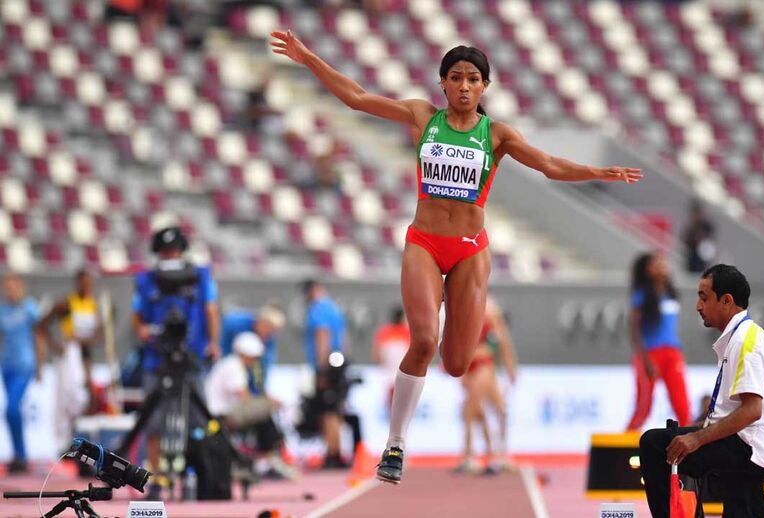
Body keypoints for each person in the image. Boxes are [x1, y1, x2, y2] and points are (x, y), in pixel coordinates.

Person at [270, 31, 641, 484]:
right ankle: (396, 443)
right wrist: (309, 58)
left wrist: (598, 172)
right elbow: (357, 98)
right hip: (425, 243)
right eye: (456, 77)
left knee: (456, 363)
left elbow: (548, 165)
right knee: (423, 341)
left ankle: (449, 317)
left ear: (485, 86)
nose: (464, 86)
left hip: (469, 252)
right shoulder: (422, 116)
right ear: (443, 83)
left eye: (473, 79)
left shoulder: (497, 135)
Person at [640, 264, 764, 518]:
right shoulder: (739, 337)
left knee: (653, 445)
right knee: (664, 440)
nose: (698, 306)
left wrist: (697, 438)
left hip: (750, 444)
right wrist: (698, 429)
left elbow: (752, 411)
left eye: (704, 298)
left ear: (726, 301)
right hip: (745, 440)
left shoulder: (745, 341)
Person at [132, 226, 220, 486]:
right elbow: (137, 314)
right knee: (153, 418)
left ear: (182, 251)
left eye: (174, 251)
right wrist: (143, 330)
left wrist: (213, 342)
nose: (170, 255)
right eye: (165, 251)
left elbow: (211, 309)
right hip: (157, 358)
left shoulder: (200, 276)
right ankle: (154, 473)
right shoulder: (147, 279)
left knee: (199, 417)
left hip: (191, 356)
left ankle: (200, 470)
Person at [205, 332, 291, 479]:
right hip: (220, 416)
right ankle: (267, 459)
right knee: (264, 410)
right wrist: (269, 403)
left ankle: (268, 457)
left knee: (263, 413)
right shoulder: (233, 366)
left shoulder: (231, 364)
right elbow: (244, 396)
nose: (255, 362)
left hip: (225, 412)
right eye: (254, 358)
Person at [36, 269, 102, 453]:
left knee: (88, 398)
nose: (87, 287)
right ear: (77, 283)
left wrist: (85, 340)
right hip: (69, 356)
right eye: (84, 283)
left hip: (85, 356)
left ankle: (80, 443)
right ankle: (64, 443)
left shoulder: (92, 305)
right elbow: (41, 325)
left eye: (89, 284)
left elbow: (99, 336)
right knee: (67, 399)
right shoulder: (66, 303)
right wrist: (55, 345)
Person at [627, 253, 692, 430]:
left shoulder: (671, 293)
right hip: (650, 354)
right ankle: (624, 443)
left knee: (682, 406)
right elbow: (634, 330)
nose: (661, 266)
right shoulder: (642, 294)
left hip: (673, 353)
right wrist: (645, 360)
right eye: (655, 264)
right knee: (643, 407)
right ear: (647, 270)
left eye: (662, 262)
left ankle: (690, 443)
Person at [456, 296, 517, 474]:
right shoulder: (462, 307)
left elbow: (501, 340)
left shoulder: (489, 308)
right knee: (473, 409)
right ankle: (475, 454)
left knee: (495, 408)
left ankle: (495, 454)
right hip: (470, 364)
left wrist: (509, 366)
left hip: (482, 363)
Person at [302, 279, 349, 469]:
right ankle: (336, 451)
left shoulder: (318, 309)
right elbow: (344, 338)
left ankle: (332, 452)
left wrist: (322, 369)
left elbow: (323, 335)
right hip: (338, 362)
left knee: (326, 410)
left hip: (327, 364)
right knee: (335, 409)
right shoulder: (334, 308)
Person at [0, 272, 44, 473]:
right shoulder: (3, 311)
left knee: (12, 408)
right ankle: (18, 455)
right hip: (6, 365)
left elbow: (38, 336)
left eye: (12, 287)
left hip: (24, 364)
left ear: (20, 287)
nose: (10, 291)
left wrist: (40, 364)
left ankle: (22, 455)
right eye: (6, 288)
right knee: (10, 413)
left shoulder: (30, 308)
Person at [220, 303, 286, 391]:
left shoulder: (268, 341)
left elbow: (262, 367)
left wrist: (258, 390)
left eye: (273, 332)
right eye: (268, 329)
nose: (269, 334)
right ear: (260, 322)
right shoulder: (235, 325)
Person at [372, 305, 411, 413]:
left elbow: (376, 354)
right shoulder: (408, 333)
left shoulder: (384, 332)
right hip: (400, 369)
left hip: (390, 369)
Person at [681, 200, 717, 273]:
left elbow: (709, 242)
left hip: (702, 262)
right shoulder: (691, 228)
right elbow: (685, 241)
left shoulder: (707, 226)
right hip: (691, 261)